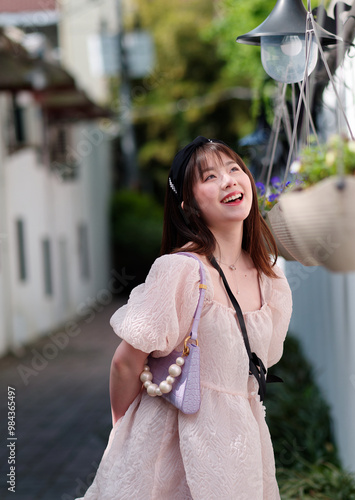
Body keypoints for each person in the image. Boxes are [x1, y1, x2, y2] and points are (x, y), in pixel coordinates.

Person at [77, 136, 292, 500]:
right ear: (188, 205)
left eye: (234, 168)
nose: (228, 180)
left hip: (240, 447)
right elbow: (126, 364)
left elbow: (263, 363)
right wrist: (123, 438)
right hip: (170, 450)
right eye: (209, 177)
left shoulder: (270, 278)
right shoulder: (180, 271)